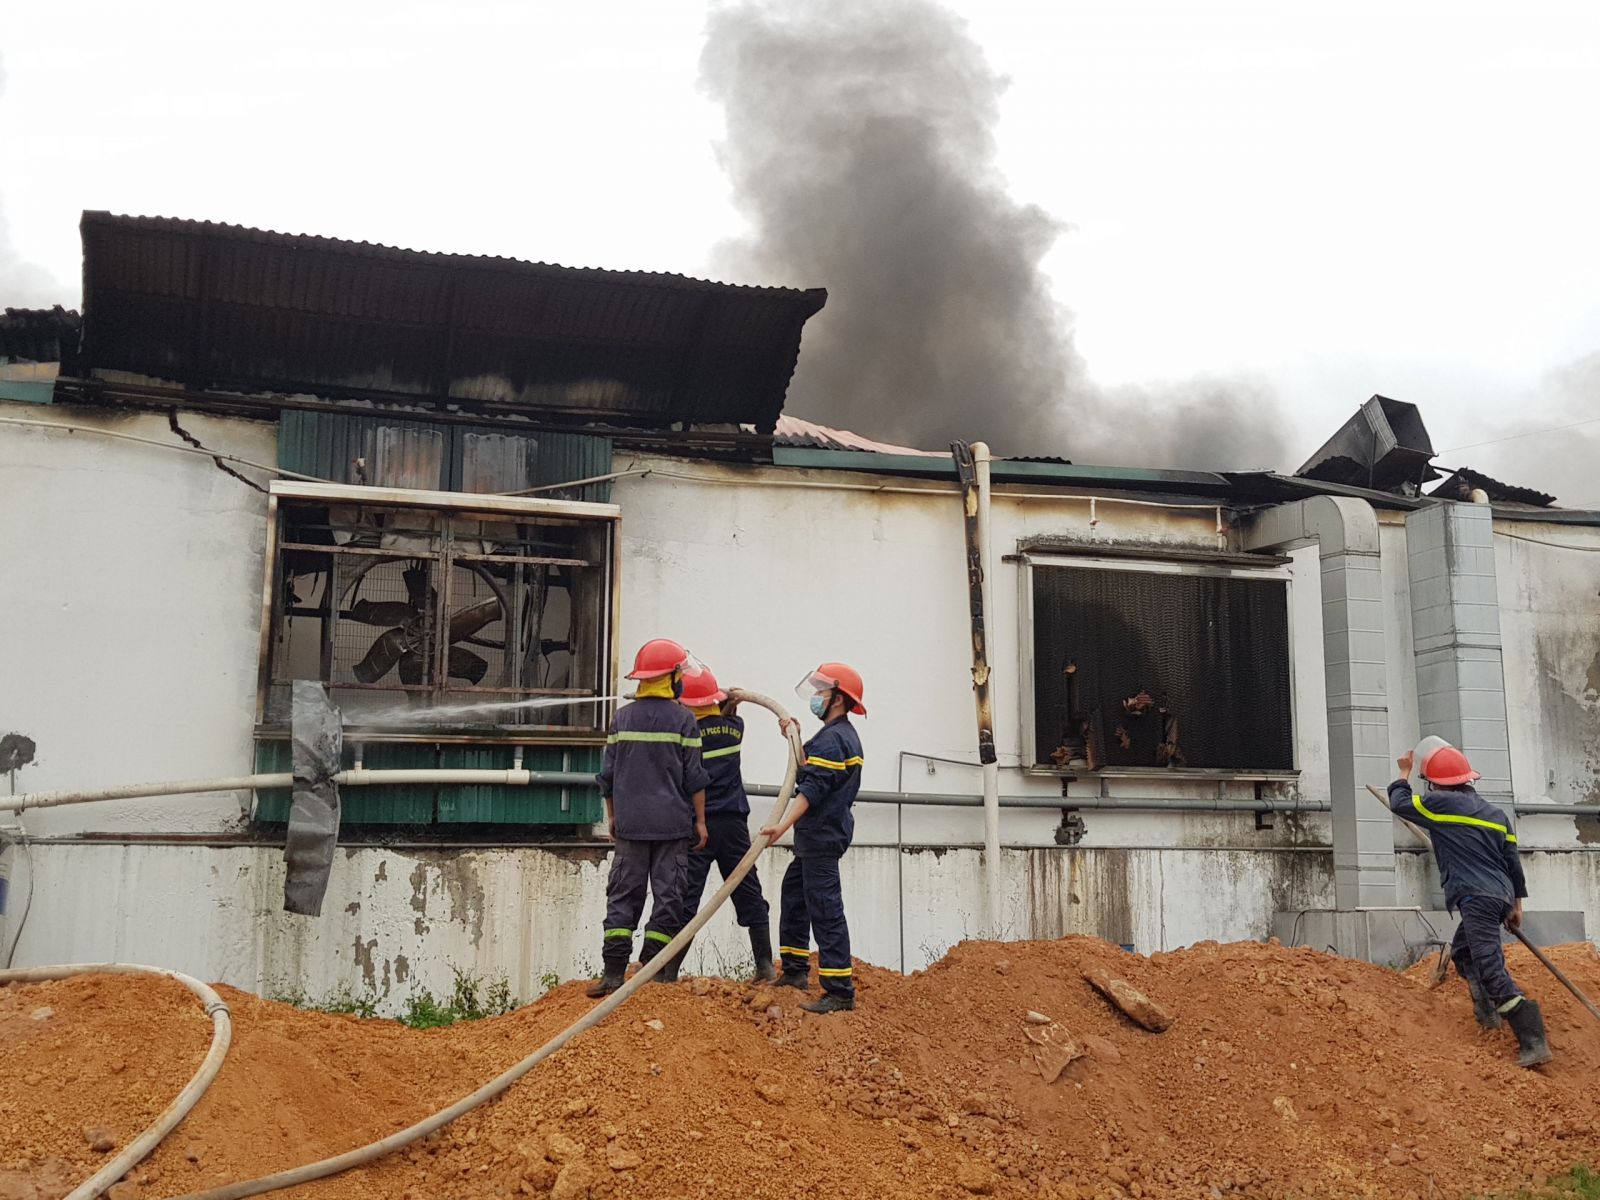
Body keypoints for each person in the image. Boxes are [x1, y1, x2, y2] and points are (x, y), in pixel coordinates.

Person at [1388, 740, 1552, 1067]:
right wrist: (1517, 905)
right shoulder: (1496, 815)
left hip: (1476, 897)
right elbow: (1513, 863)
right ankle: (1487, 1011)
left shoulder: (1440, 803)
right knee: (1464, 953)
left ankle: (1531, 1036)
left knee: (1490, 965)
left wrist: (1404, 773)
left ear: (1435, 783)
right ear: (1467, 779)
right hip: (1501, 896)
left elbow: (1400, 803)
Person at [586, 638, 710, 1000]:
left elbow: (607, 776)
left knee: (623, 896)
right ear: (670, 678)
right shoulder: (685, 720)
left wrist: (613, 816)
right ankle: (651, 970)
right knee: (669, 897)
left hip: (630, 826)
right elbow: (695, 778)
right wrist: (701, 821)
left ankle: (613, 974)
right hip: (673, 827)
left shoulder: (622, 719)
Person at [761, 662, 866, 1015]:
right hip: (818, 836)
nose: (817, 697)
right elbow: (807, 768)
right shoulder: (834, 736)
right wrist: (794, 736)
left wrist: (782, 826)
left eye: (822, 691)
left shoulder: (835, 739)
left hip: (821, 835)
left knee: (825, 908)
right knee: (795, 895)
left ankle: (839, 991)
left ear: (838, 699)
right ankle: (794, 969)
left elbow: (812, 788)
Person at [660, 665, 777, 982]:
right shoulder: (734, 728)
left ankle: (668, 973)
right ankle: (765, 965)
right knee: (747, 889)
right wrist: (730, 699)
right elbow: (725, 715)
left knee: (686, 899)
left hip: (697, 826)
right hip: (733, 824)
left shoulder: (685, 736)